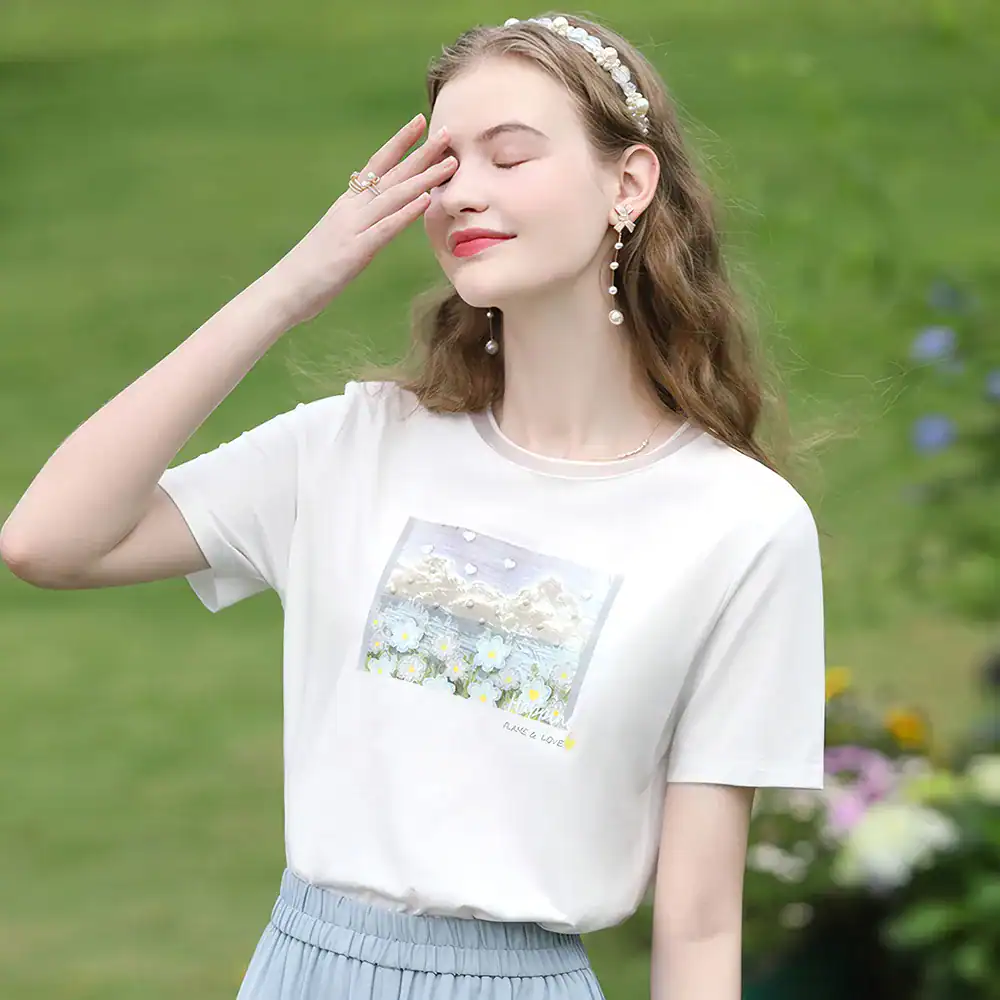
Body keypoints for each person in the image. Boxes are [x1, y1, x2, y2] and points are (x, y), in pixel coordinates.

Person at [0, 13, 826, 1000]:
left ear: (628, 182)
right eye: (443, 163)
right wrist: (286, 290)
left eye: (509, 155)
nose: (463, 191)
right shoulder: (353, 445)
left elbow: (698, 926)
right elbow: (48, 540)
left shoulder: (738, 526)